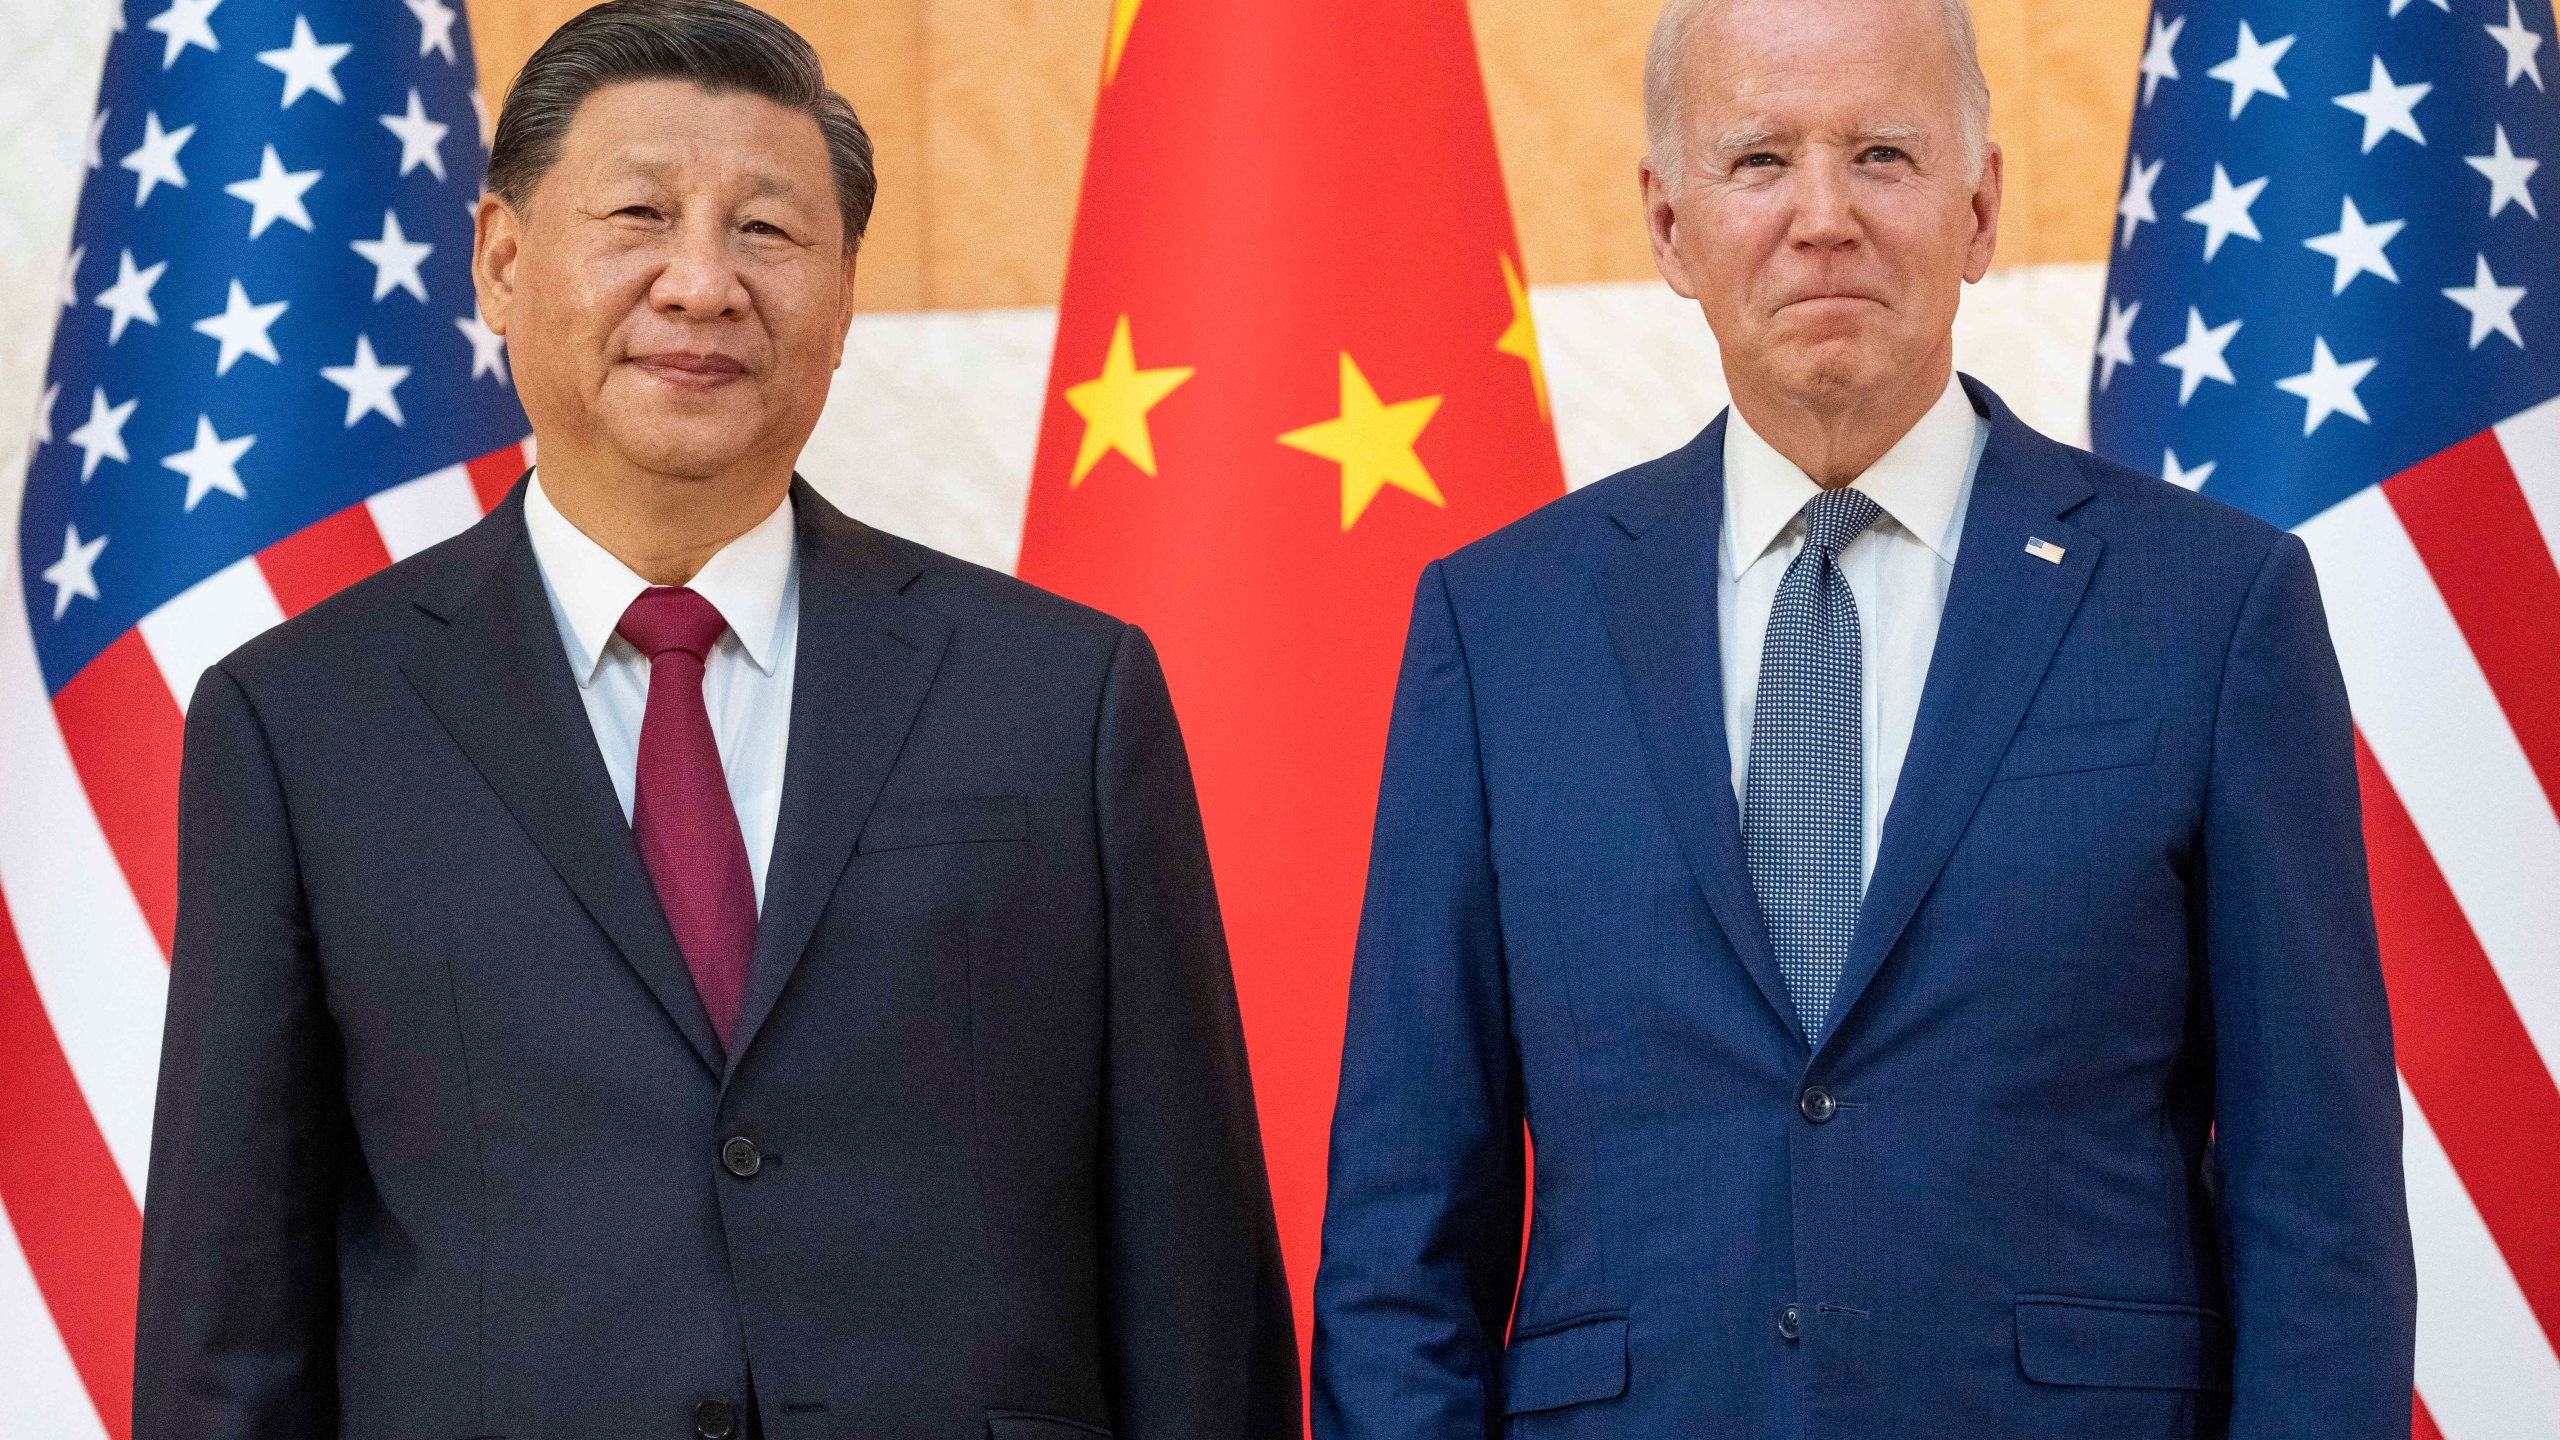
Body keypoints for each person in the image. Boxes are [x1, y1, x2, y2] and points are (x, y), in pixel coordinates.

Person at [132, 3, 1298, 1436]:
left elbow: (1194, 1288)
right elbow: (229, 1317)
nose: (702, 284)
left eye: (768, 232)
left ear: (845, 293)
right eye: (638, 214)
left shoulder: (1062, 696)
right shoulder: (297, 724)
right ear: (500, 261)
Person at [1310, 0, 2415, 1435]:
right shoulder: (1501, 623)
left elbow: (2316, 1203)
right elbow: (1403, 1225)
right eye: (1760, 159)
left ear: (1981, 204)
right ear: (1667, 225)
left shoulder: (2214, 605)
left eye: (1883, 153)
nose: (1823, 216)